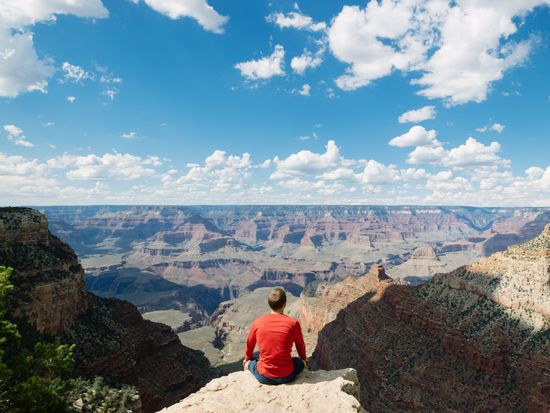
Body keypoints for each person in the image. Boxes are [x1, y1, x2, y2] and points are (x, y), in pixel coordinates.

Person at [243, 287, 307, 385]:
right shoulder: (293, 323)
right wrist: (304, 359)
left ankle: (248, 364)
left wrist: (247, 359)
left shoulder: (258, 322)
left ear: (269, 304)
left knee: (251, 362)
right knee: (298, 362)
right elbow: (300, 345)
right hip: (287, 376)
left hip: (263, 376)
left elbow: (249, 345)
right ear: (285, 304)